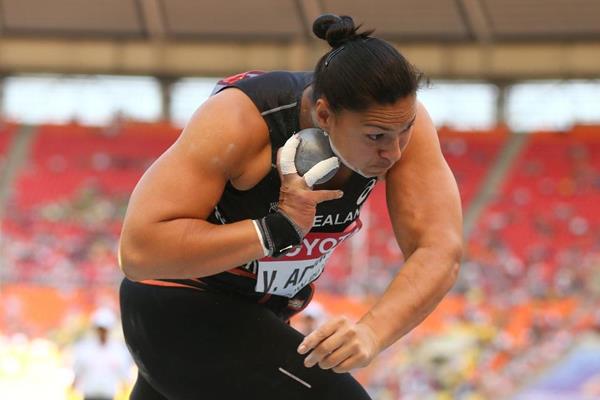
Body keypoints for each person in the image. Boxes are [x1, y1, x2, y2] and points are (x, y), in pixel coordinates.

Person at [118, 13, 462, 400]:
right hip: (177, 306)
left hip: (263, 314)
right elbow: (139, 252)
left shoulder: (395, 122)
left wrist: (372, 331)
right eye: (376, 137)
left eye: (405, 130)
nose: (394, 152)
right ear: (325, 115)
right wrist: (275, 230)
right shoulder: (238, 120)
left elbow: (439, 249)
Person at [71, 307, 133, 400]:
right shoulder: (85, 348)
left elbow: (124, 373)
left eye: (104, 329)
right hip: (89, 395)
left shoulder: (117, 350)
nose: (102, 332)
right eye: (100, 329)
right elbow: (78, 370)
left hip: (108, 395)